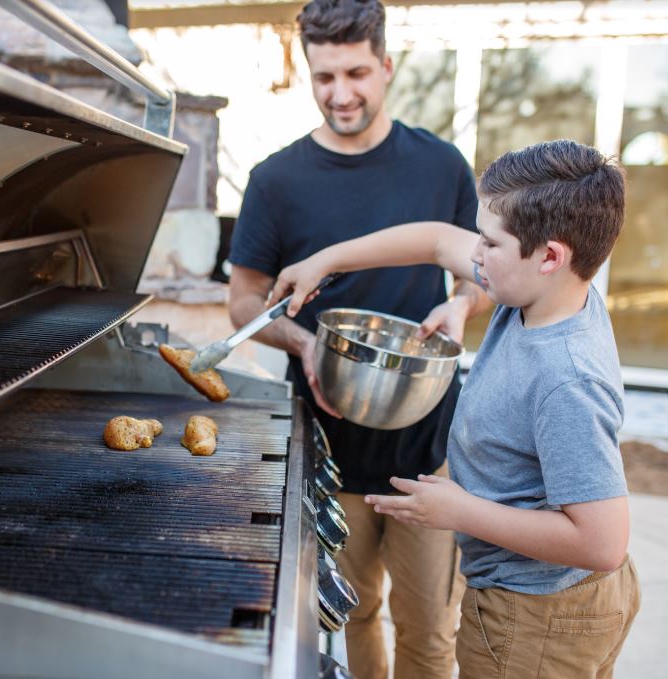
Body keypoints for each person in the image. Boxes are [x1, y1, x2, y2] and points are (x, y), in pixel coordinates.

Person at [272, 139, 641, 679]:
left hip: (535, 615)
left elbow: (603, 541)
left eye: (489, 243)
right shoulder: (544, 293)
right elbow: (436, 238)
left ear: (550, 257)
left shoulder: (568, 378)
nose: (473, 255)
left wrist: (460, 513)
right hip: (543, 603)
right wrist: (325, 261)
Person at [227, 1, 491, 677]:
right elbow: (244, 303)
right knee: (355, 612)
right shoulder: (275, 180)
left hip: (423, 437)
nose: (341, 93)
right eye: (324, 77)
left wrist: (463, 307)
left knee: (430, 626)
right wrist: (306, 343)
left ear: (386, 67)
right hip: (327, 438)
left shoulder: (442, 167)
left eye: (356, 73)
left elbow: (481, 278)